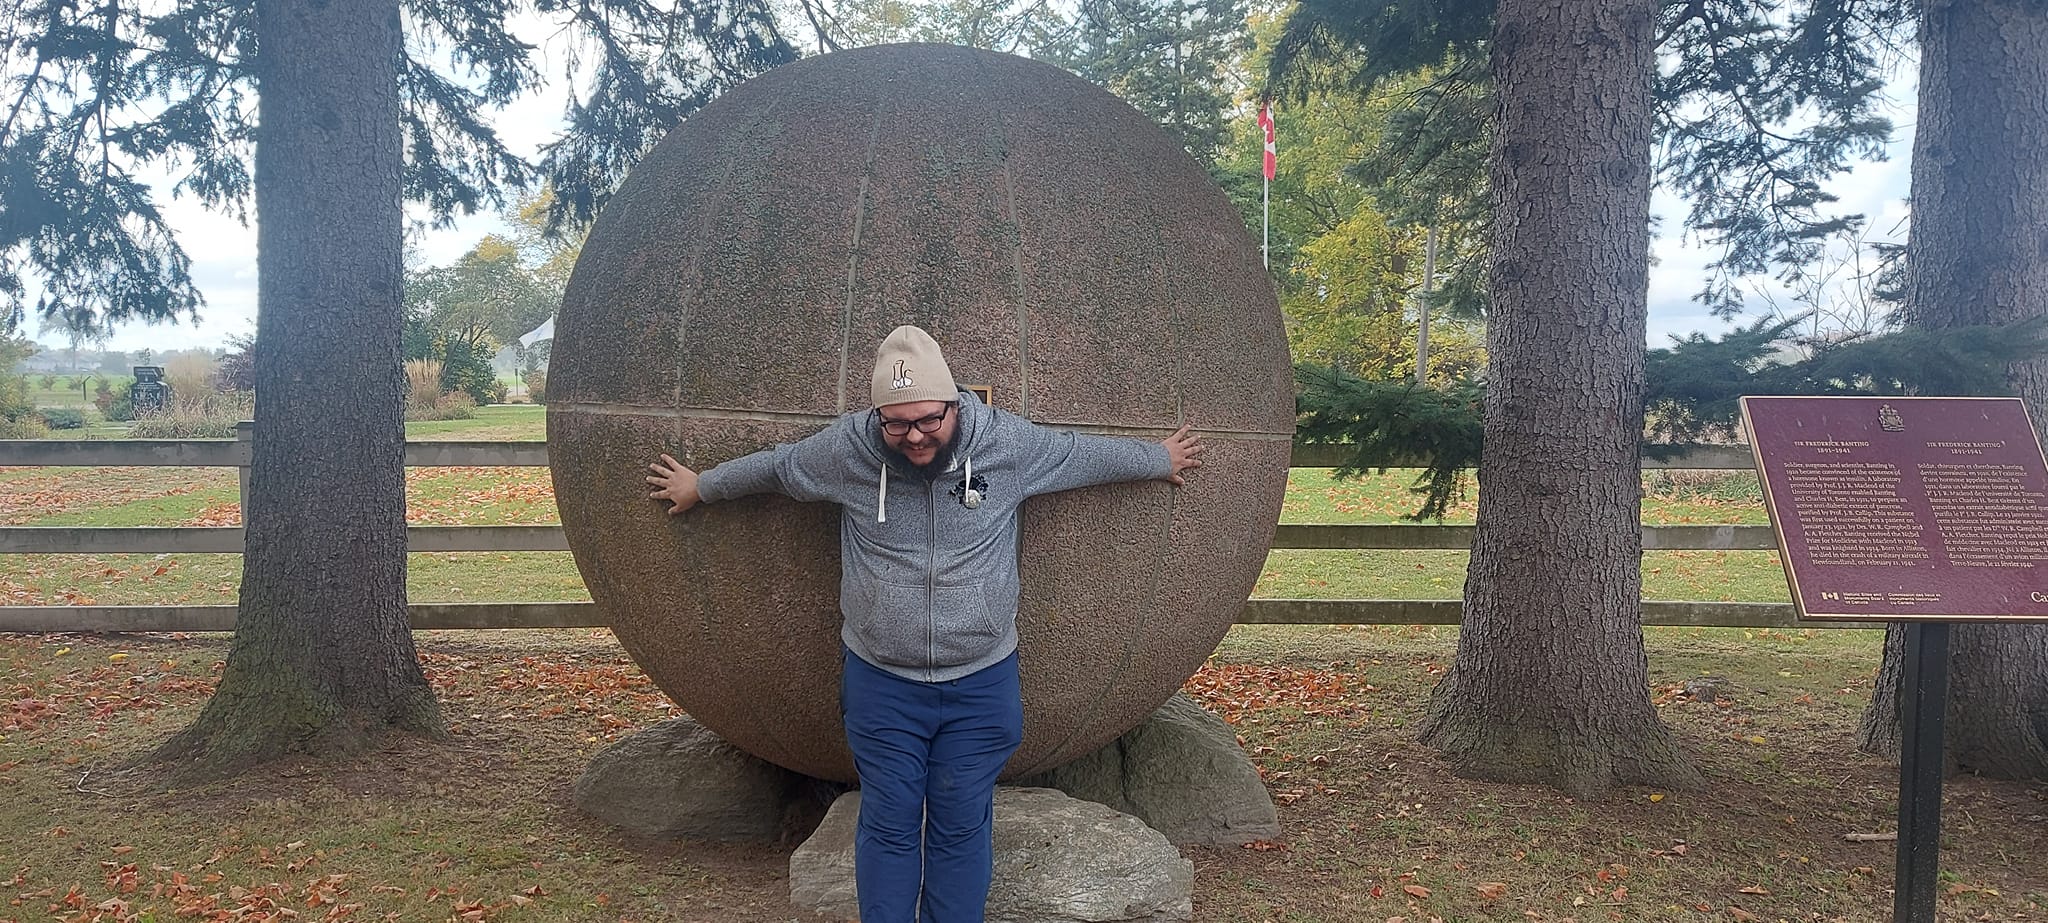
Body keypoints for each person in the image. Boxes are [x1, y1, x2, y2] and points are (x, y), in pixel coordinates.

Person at [645, 325, 1205, 922]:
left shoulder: (1006, 445)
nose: (913, 437)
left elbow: (1079, 454)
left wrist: (1158, 458)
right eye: (897, 423)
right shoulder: (847, 452)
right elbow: (779, 469)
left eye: (928, 421)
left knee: (961, 822)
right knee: (887, 821)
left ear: (955, 404)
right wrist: (701, 486)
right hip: (882, 683)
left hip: (981, 682)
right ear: (878, 416)